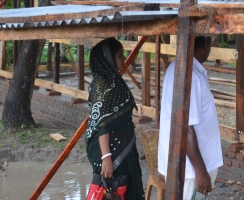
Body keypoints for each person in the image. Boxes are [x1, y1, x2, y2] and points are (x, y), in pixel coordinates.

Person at [158, 36, 223, 200]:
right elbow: (185, 127)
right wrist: (200, 170)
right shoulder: (190, 75)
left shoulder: (179, 68)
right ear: (204, 46)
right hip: (190, 169)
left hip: (187, 166)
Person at [86, 37, 144, 200]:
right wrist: (106, 158)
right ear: (108, 58)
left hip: (123, 145)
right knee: (115, 190)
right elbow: (103, 124)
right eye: (120, 55)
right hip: (111, 150)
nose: (124, 59)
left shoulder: (113, 80)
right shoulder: (102, 84)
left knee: (127, 188)